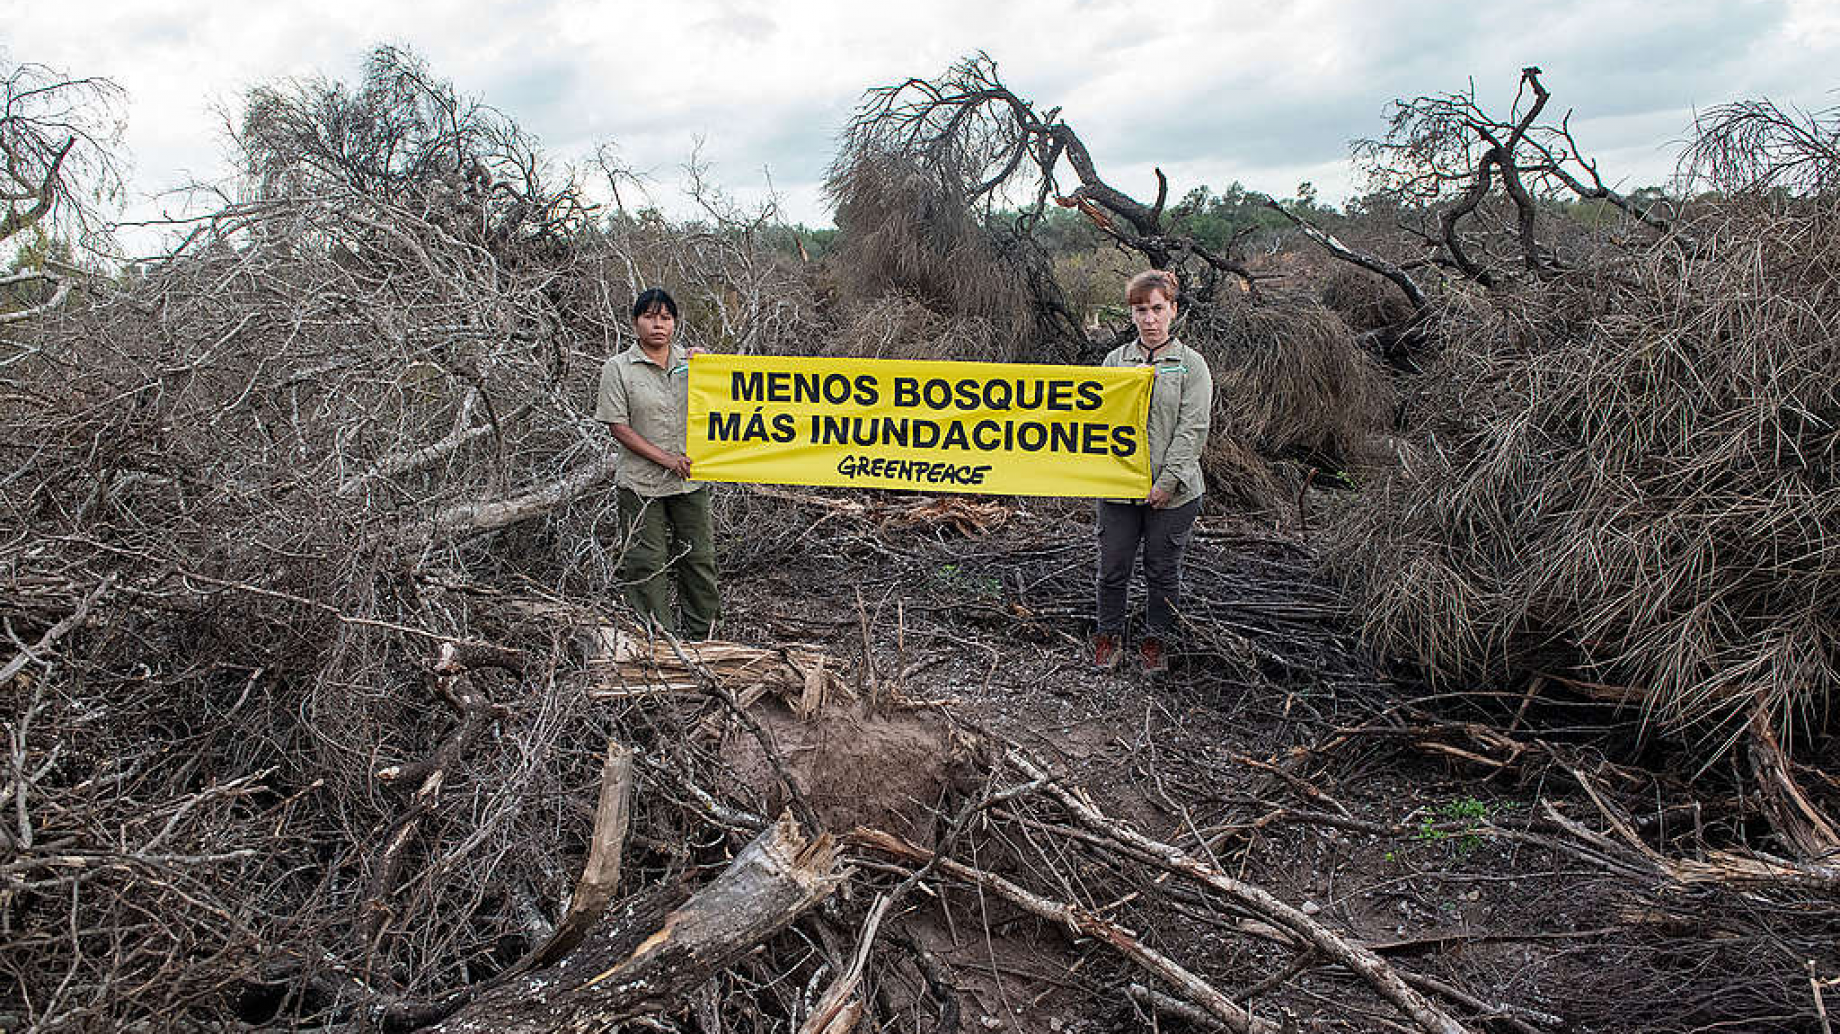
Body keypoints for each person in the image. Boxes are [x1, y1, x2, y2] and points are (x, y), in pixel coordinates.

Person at [1093, 270, 1212, 673]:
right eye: (1141, 310)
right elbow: (1097, 421)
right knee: (1113, 569)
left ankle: (1155, 643)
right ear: (1132, 314)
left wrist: (1167, 482)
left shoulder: (1191, 365)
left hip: (1175, 494)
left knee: (1162, 572)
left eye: (1157, 309)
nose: (1149, 318)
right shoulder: (1115, 361)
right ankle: (1108, 638)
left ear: (1173, 310)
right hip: (1119, 490)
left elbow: (1193, 430)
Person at [596, 287, 720, 639]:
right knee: (647, 564)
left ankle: (705, 638)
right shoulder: (618, 368)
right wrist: (666, 459)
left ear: (675, 322)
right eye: (649, 316)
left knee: (699, 560)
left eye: (665, 317)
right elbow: (618, 427)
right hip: (641, 483)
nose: (658, 325)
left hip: (690, 482)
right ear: (635, 322)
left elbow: (726, 401)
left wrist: (713, 367)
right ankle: (657, 643)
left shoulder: (691, 363)